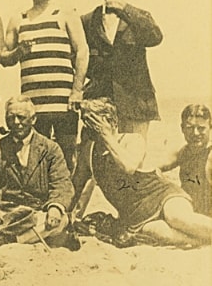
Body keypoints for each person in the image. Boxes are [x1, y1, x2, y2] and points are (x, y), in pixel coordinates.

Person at [71, 98, 212, 247]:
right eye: (86, 122)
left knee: (178, 218)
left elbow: (129, 167)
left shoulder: (132, 140)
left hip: (163, 197)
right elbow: (74, 188)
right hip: (135, 215)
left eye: (94, 123)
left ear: (111, 122)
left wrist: (107, 136)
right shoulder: (89, 151)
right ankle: (202, 242)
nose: (90, 128)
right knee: (159, 233)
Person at [3, 0, 88, 169]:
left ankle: (68, 202)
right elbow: (5, 57)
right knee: (35, 158)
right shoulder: (18, 18)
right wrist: (18, 52)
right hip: (32, 106)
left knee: (67, 157)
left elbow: (82, 52)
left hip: (63, 102)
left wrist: (76, 91)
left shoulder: (65, 14)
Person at [0, 96, 74, 246]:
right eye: (10, 118)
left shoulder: (50, 149)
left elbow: (62, 183)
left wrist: (55, 207)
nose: (16, 123)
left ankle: (10, 240)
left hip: (36, 212)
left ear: (33, 119)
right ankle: (23, 238)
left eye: (21, 118)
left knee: (61, 220)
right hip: (6, 211)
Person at [81, 0, 163, 139]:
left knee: (134, 156)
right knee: (99, 156)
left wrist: (125, 9)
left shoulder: (139, 17)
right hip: (100, 101)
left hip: (135, 101)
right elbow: (78, 56)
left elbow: (155, 38)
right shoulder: (88, 21)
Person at [157, 104, 211, 217]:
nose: (195, 133)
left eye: (201, 128)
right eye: (190, 128)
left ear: (210, 127)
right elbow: (154, 167)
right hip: (188, 213)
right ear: (182, 128)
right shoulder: (184, 152)